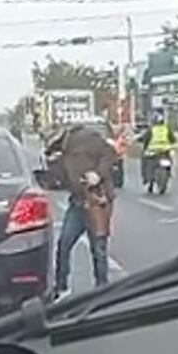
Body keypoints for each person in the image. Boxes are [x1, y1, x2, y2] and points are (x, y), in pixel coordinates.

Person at [46, 123, 118, 300]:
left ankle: (102, 289)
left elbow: (110, 154)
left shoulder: (89, 139)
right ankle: (61, 287)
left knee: (98, 247)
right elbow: (61, 175)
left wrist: (98, 174)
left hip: (96, 202)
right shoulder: (65, 154)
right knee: (64, 244)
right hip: (78, 203)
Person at [139, 111, 176, 189]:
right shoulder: (167, 128)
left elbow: (146, 140)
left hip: (153, 151)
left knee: (145, 161)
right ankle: (171, 173)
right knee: (171, 159)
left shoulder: (151, 129)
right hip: (165, 151)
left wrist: (144, 147)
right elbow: (173, 139)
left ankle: (146, 178)